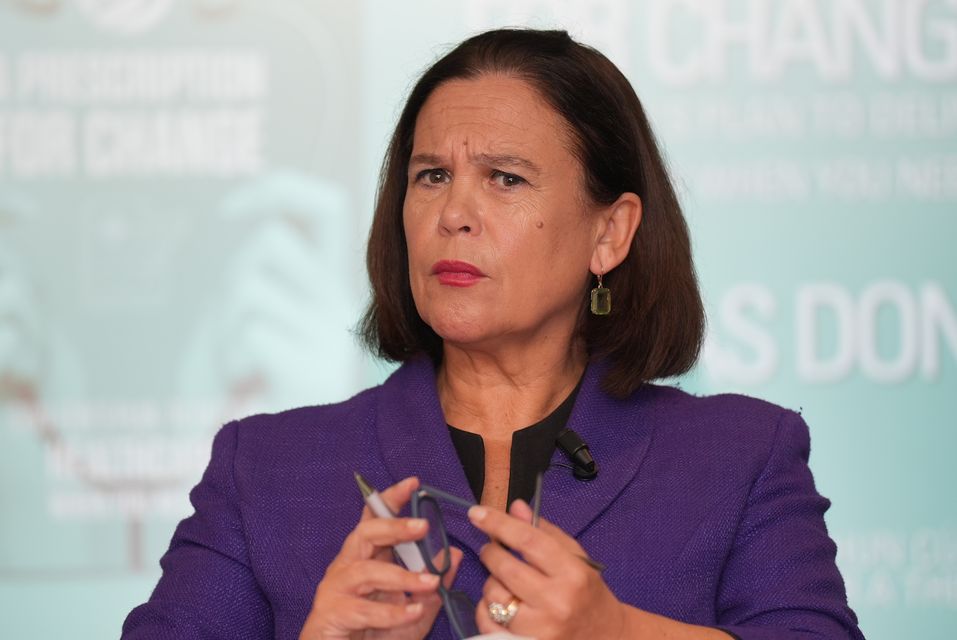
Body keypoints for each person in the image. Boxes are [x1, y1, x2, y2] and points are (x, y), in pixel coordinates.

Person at [122, 28, 864, 640]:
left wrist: (616, 633)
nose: (454, 214)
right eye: (431, 176)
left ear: (609, 233)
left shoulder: (740, 457)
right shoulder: (267, 469)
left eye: (504, 178)